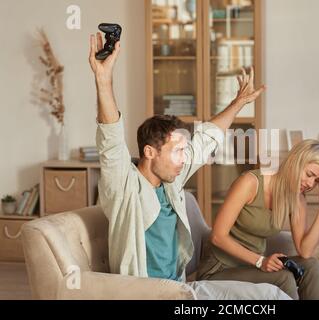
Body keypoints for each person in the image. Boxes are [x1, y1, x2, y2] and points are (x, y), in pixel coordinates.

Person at [88, 32, 291, 300]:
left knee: (271, 295)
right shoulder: (125, 189)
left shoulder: (171, 181)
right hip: (150, 295)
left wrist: (238, 103)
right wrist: (103, 80)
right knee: (268, 299)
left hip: (182, 290)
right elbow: (111, 142)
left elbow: (206, 139)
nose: (185, 158)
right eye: (178, 151)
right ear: (150, 152)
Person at [196, 140, 319, 300]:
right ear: (295, 162)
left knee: (312, 266)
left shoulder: (297, 199)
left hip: (251, 267)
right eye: (309, 175)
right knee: (284, 278)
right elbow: (217, 236)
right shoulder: (249, 183)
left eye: (316, 180)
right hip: (219, 269)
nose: (310, 184)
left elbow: (305, 250)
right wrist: (260, 261)